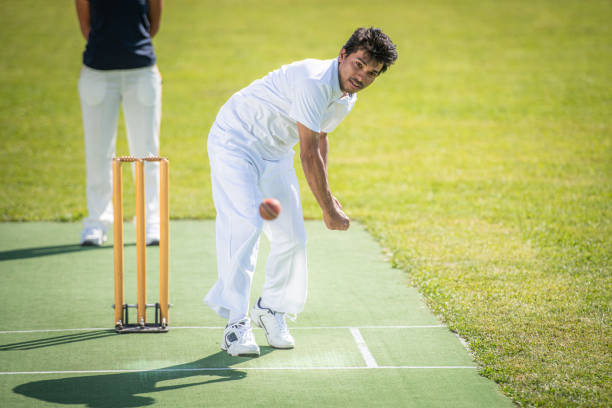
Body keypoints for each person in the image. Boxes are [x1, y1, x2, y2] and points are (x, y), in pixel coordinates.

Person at [205, 27, 398, 357]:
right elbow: (308, 153)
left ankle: (271, 308)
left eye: (373, 73)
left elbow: (321, 139)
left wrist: (330, 195)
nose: (363, 76)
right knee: (247, 226)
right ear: (342, 55)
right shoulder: (313, 82)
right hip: (235, 142)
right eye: (359, 64)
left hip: (275, 151)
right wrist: (327, 208)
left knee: (292, 237)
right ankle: (236, 324)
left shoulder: (347, 97)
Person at [75, 0, 163, 246]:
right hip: (97, 72)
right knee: (98, 151)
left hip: (141, 72)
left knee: (146, 152)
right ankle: (97, 222)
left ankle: (150, 222)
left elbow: (153, 24)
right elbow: (86, 26)